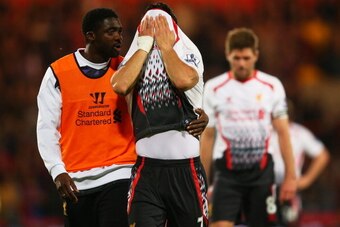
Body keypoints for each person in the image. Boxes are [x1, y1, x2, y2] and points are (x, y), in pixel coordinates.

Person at [36, 7, 208, 227]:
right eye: (111, 32)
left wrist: (202, 116)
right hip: (77, 180)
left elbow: (181, 90)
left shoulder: (130, 64)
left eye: (120, 31)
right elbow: (46, 127)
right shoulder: (60, 72)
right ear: (91, 36)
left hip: (121, 174)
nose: (118, 37)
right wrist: (57, 169)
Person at [111, 2, 209, 227]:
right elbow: (120, 85)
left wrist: (166, 48)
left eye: (160, 24)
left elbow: (184, 80)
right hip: (146, 170)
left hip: (186, 170)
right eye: (149, 25)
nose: (154, 29)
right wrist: (143, 47)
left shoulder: (189, 52)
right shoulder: (137, 56)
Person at [200, 27, 297, 227]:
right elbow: (207, 137)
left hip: (261, 173)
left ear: (256, 56)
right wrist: (201, 182)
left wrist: (291, 176)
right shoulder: (213, 88)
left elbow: (283, 132)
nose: (241, 63)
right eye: (236, 58)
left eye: (246, 58)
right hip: (227, 174)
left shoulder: (272, 86)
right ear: (228, 55)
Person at [269, 101, 330, 226]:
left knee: (289, 222)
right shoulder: (265, 131)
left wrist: (306, 180)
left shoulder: (299, 133)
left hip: (289, 190)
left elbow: (322, 155)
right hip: (265, 188)